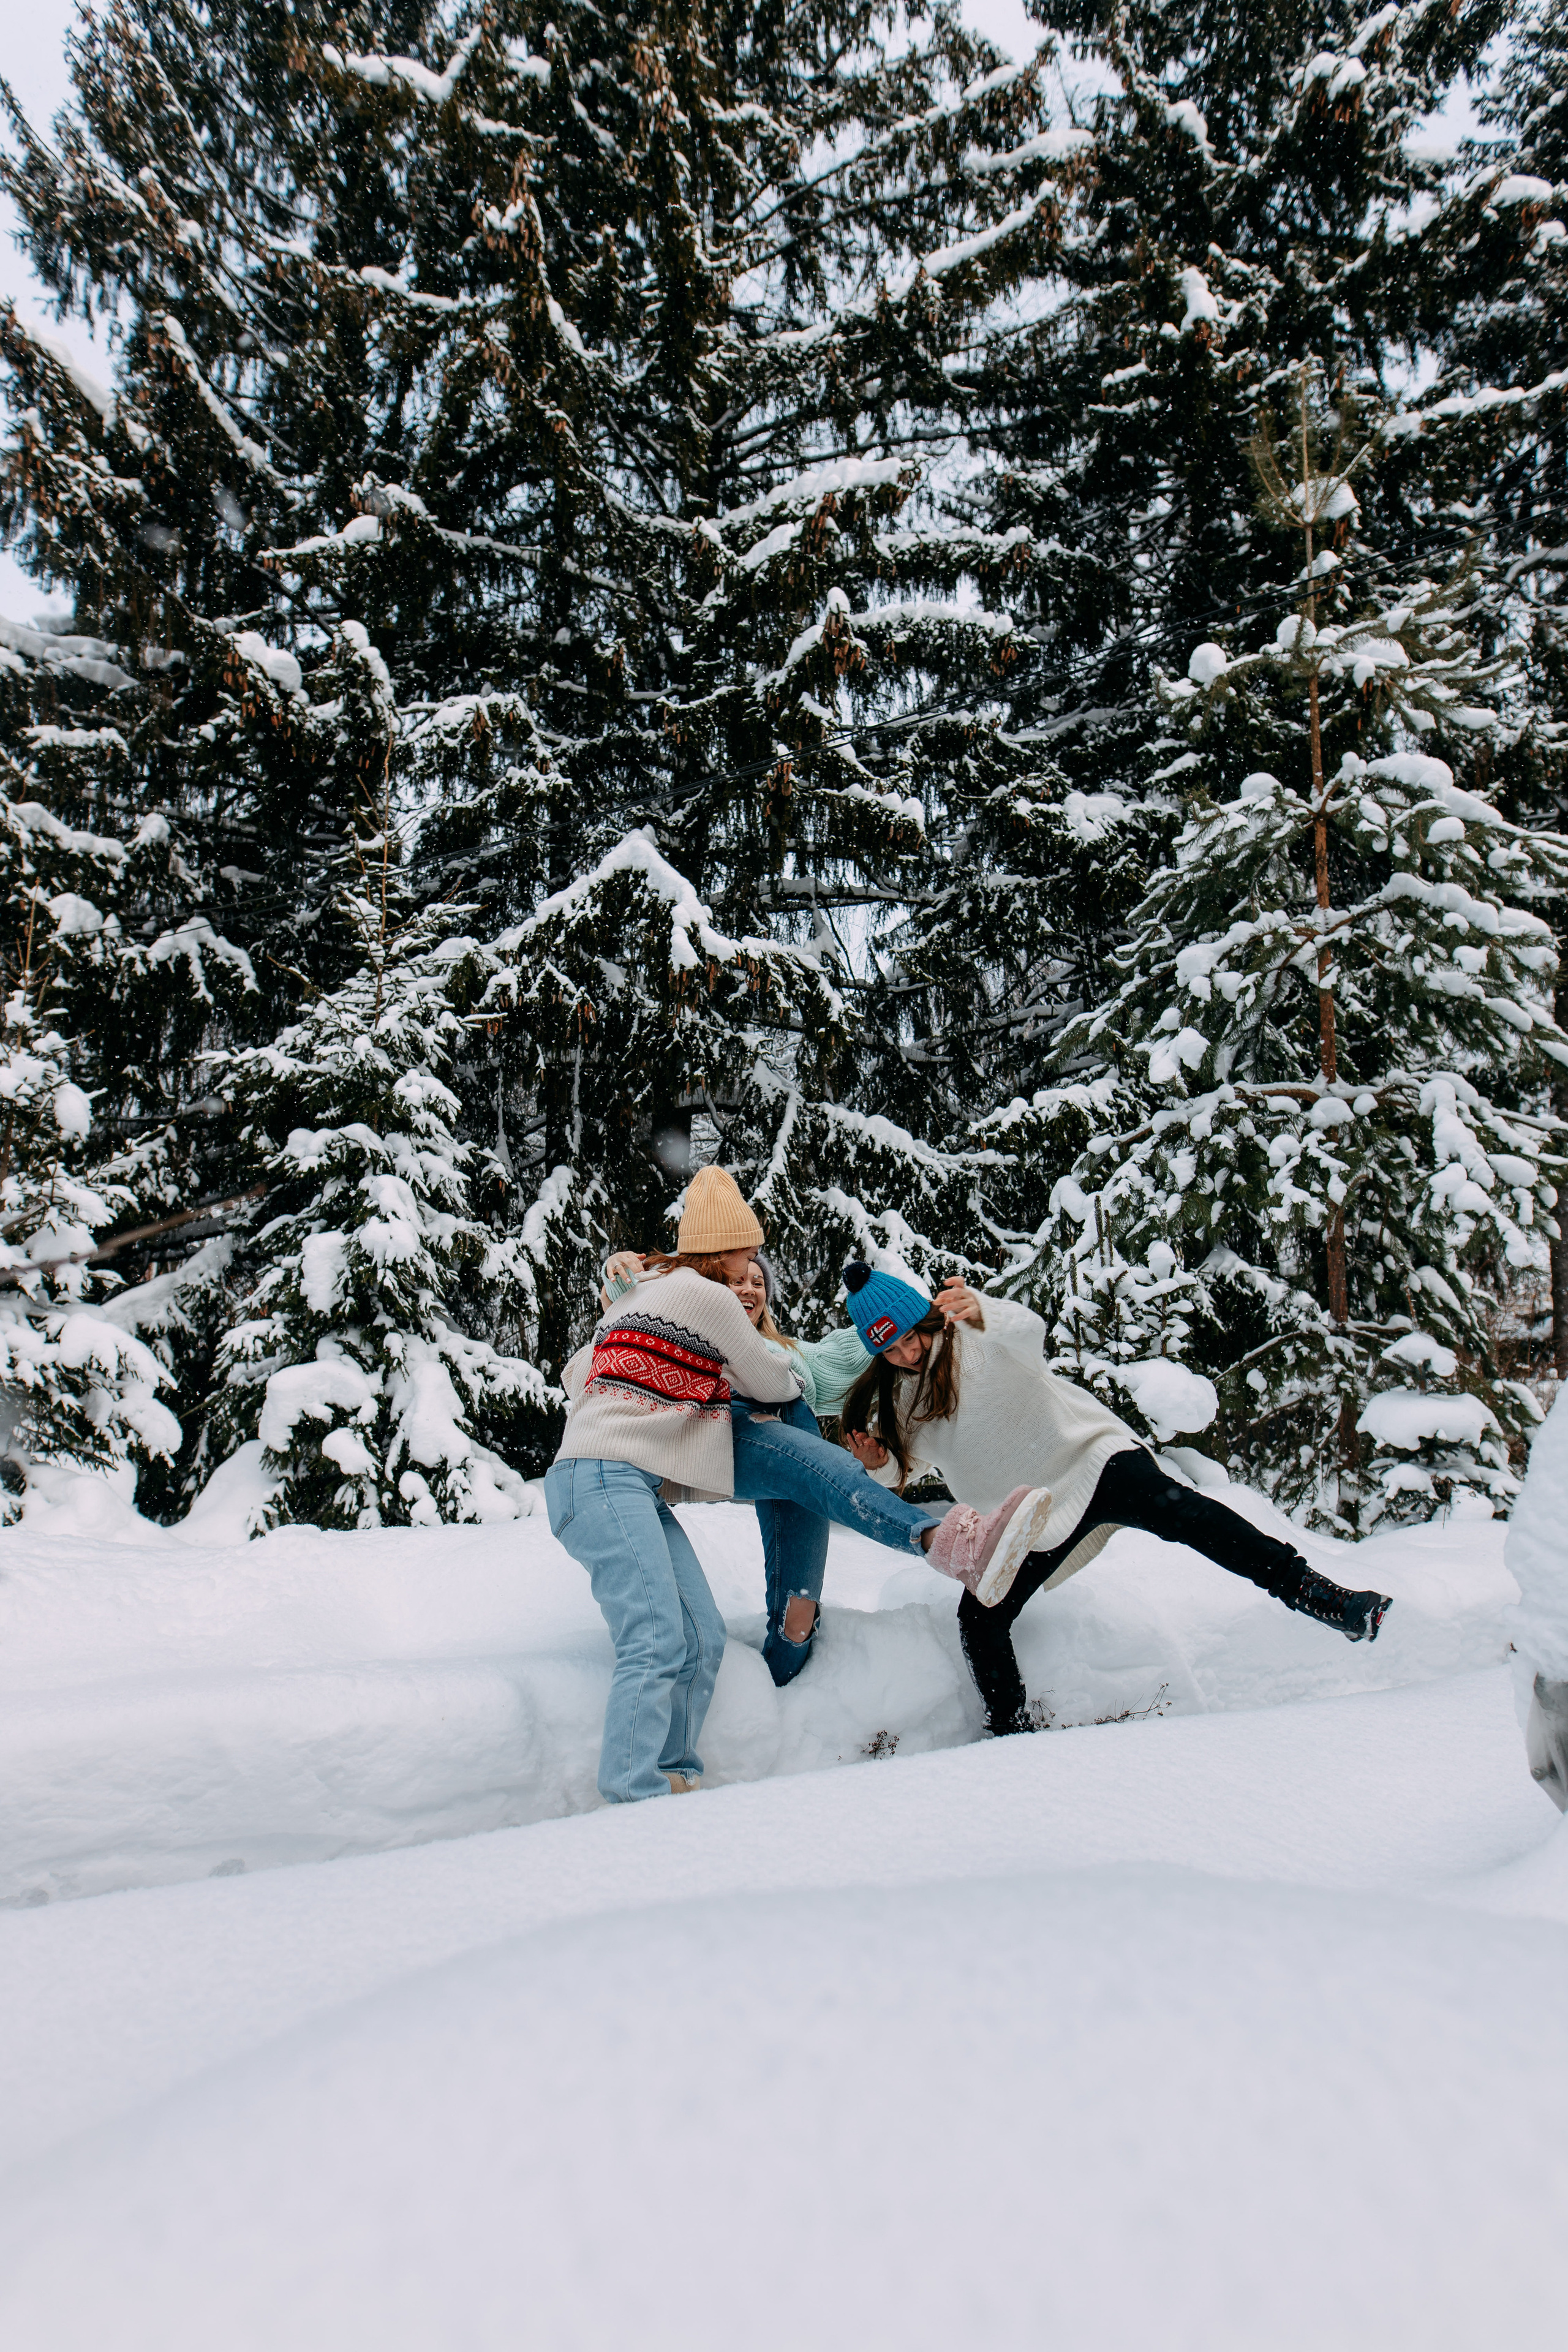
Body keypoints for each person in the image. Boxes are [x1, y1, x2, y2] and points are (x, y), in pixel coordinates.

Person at [837, 1262, 1395, 1736]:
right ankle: (1009, 1739)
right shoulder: (899, 1404)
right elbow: (900, 1473)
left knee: (1193, 1517)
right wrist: (878, 1464)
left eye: (912, 1336)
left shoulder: (977, 1334)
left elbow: (1030, 1332)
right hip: (1030, 1517)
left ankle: (1322, 1597)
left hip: (1093, 1459)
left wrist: (984, 1309)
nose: (908, 1353)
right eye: (890, 1349)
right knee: (979, 1618)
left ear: (927, 1319)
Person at [594, 1240, 1054, 1687]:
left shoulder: (795, 1355)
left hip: (791, 1465)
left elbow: (879, 1333)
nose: (750, 1289)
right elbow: (632, 1302)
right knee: (804, 1429)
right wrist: (622, 1271)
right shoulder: (687, 1332)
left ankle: (772, 1707)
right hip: (717, 1446)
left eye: (758, 1282)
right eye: (736, 1280)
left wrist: (919, 1307)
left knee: (798, 1620)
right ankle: (945, 1541)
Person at [546, 1166, 805, 1801]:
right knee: (657, 1637)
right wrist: (786, 1381)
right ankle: (632, 1797)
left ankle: (675, 1775)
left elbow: (580, 1369)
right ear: (724, 1249)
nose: (752, 1266)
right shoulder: (708, 1299)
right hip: (599, 1476)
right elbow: (772, 1383)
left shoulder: (650, 1291)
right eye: (747, 1251)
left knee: (700, 1635)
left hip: (620, 1484)